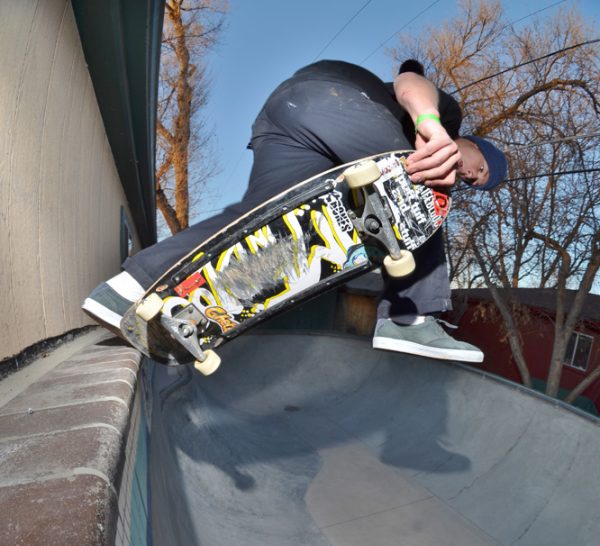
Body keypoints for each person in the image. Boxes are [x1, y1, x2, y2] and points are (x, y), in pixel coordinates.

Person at [83, 59, 507, 362]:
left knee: (260, 222)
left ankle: (128, 286)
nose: (470, 177)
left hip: (281, 120)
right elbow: (410, 79)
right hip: (337, 98)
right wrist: (431, 123)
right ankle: (408, 316)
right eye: (480, 169)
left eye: (476, 183)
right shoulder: (447, 124)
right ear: (473, 143)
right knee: (426, 195)